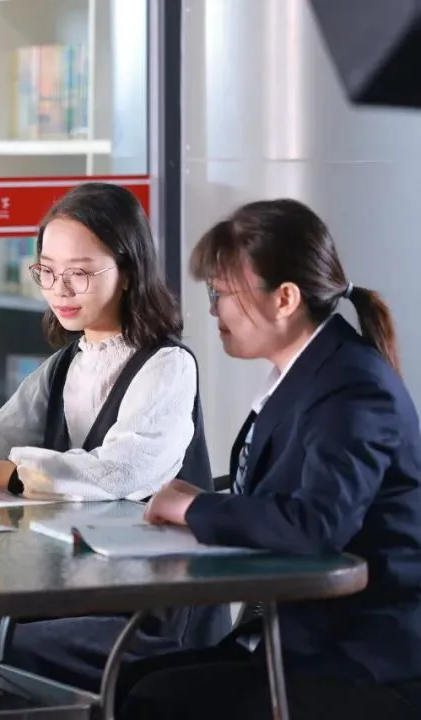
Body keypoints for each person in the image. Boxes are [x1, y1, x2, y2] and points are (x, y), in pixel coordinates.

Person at [0, 182, 231, 708]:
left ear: (128, 271)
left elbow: (118, 472)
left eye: (79, 273)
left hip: (151, 609)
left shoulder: (168, 366)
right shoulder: (67, 364)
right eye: (47, 271)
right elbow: (3, 433)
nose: (60, 289)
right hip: (79, 589)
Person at [120, 199, 421, 720]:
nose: (213, 310)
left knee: (151, 697)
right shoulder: (310, 373)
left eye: (221, 294)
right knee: (135, 682)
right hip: (299, 635)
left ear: (285, 298)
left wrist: (194, 509)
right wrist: (203, 504)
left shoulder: (352, 386)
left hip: (361, 652)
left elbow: (315, 523)